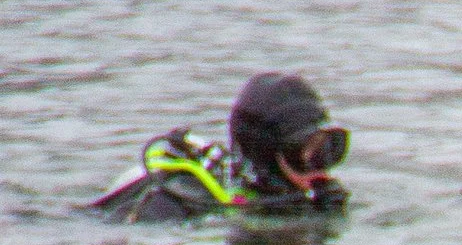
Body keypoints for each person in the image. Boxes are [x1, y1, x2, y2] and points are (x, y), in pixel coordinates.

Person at [91, 72, 352, 223]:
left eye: (329, 150)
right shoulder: (180, 204)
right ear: (267, 157)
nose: (322, 169)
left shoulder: (295, 200)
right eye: (305, 155)